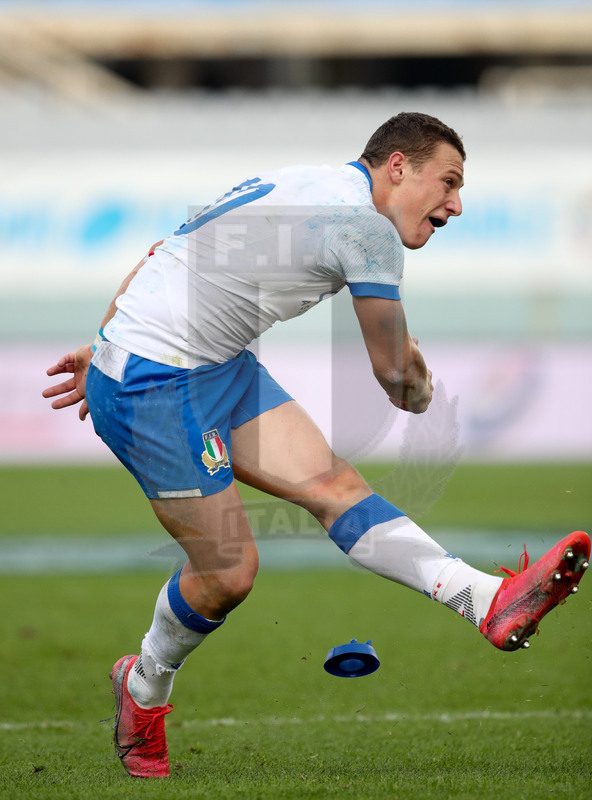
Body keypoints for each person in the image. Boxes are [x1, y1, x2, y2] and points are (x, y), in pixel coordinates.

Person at [43, 112, 590, 779]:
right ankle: (143, 685)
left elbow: (167, 250)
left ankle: (485, 600)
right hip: (151, 385)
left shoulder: (304, 183)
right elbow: (397, 376)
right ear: (398, 167)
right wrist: (419, 387)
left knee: (335, 486)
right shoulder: (365, 227)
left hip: (209, 365)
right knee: (228, 574)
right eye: (447, 183)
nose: (456, 205)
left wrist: (103, 340)